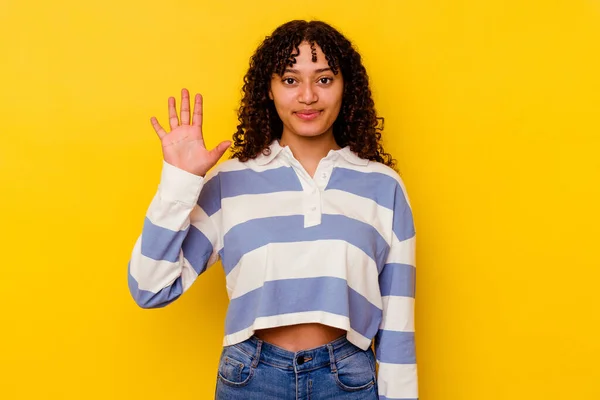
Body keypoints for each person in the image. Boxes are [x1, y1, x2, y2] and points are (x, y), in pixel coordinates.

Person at [127, 19, 418, 400]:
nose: (308, 96)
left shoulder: (383, 186)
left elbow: (398, 322)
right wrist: (179, 182)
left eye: (325, 79)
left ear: (347, 88)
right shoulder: (230, 182)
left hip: (348, 380)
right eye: (291, 80)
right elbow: (150, 288)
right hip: (250, 379)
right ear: (269, 88)